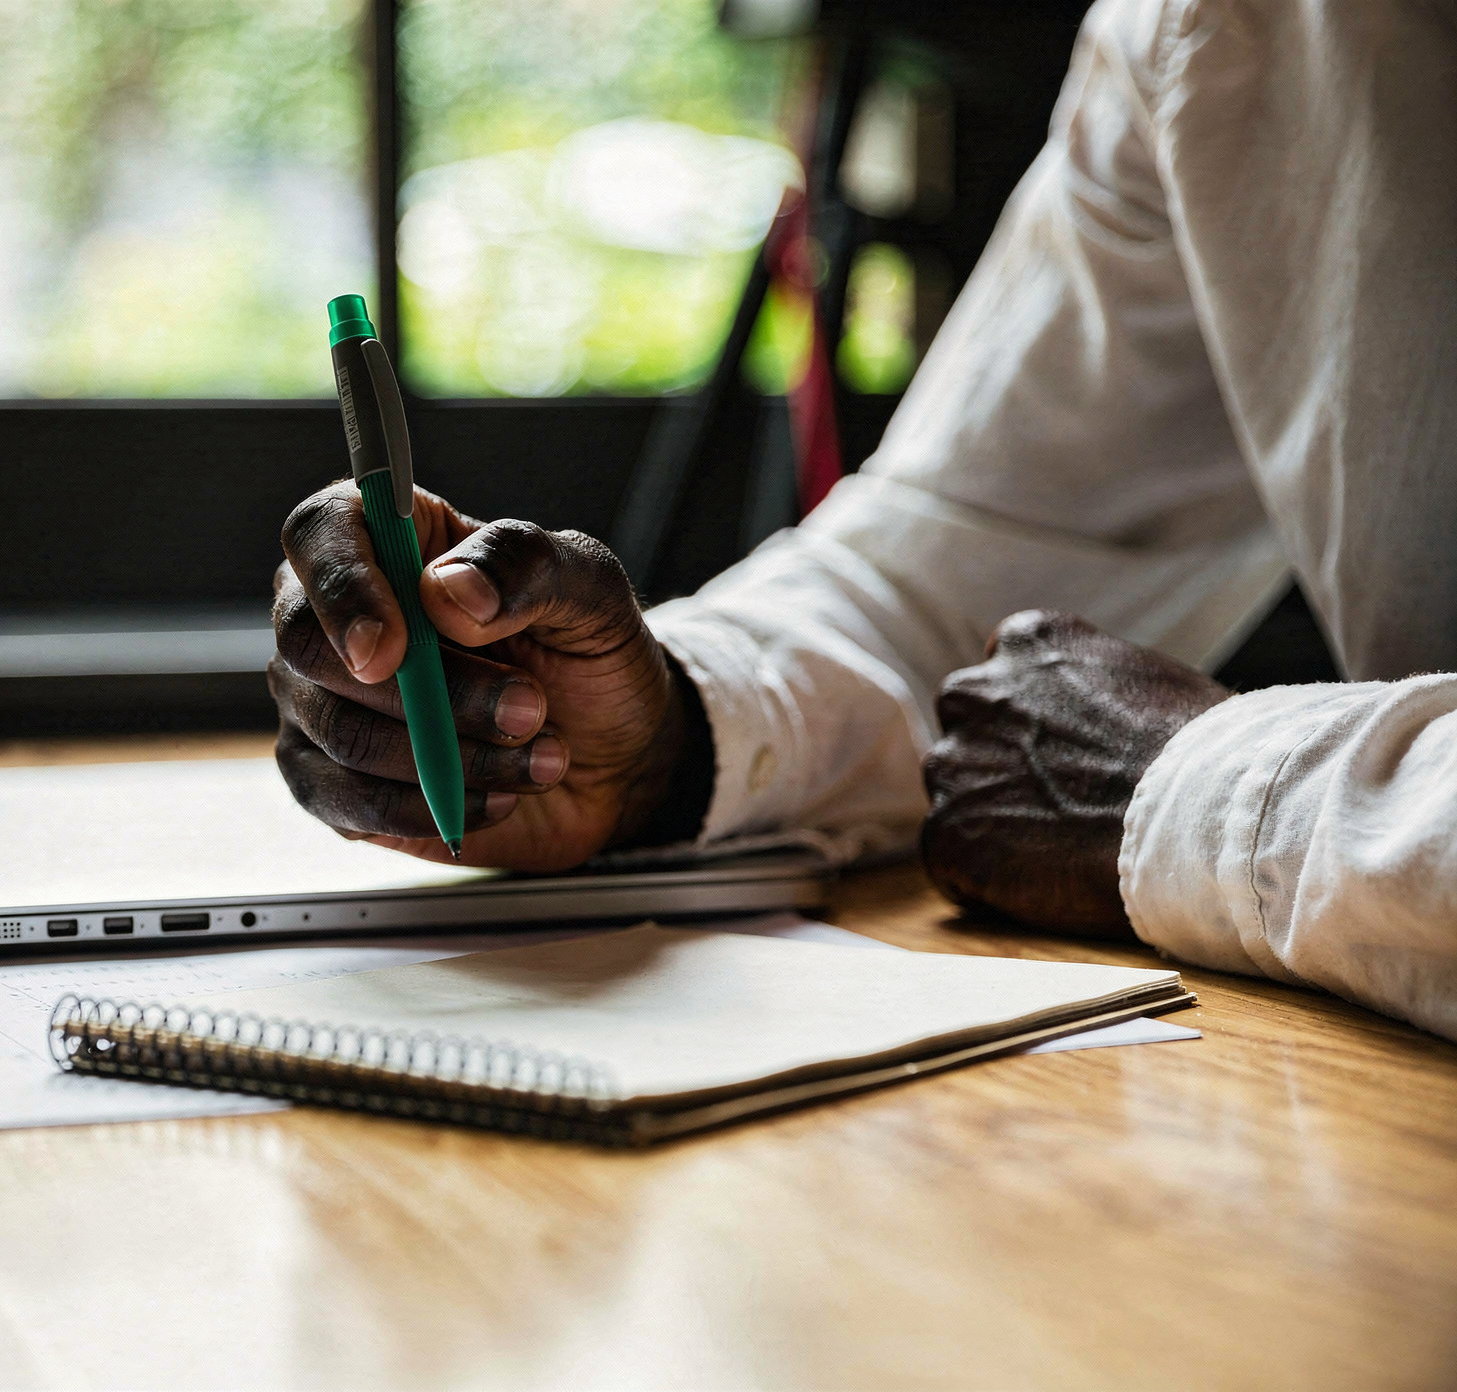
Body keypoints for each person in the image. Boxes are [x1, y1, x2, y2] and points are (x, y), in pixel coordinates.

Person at [269, 0, 1457, 1040]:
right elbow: (947, 585)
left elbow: (1080, 728)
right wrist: (655, 738)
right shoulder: (1221, 31)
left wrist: (1188, 790)